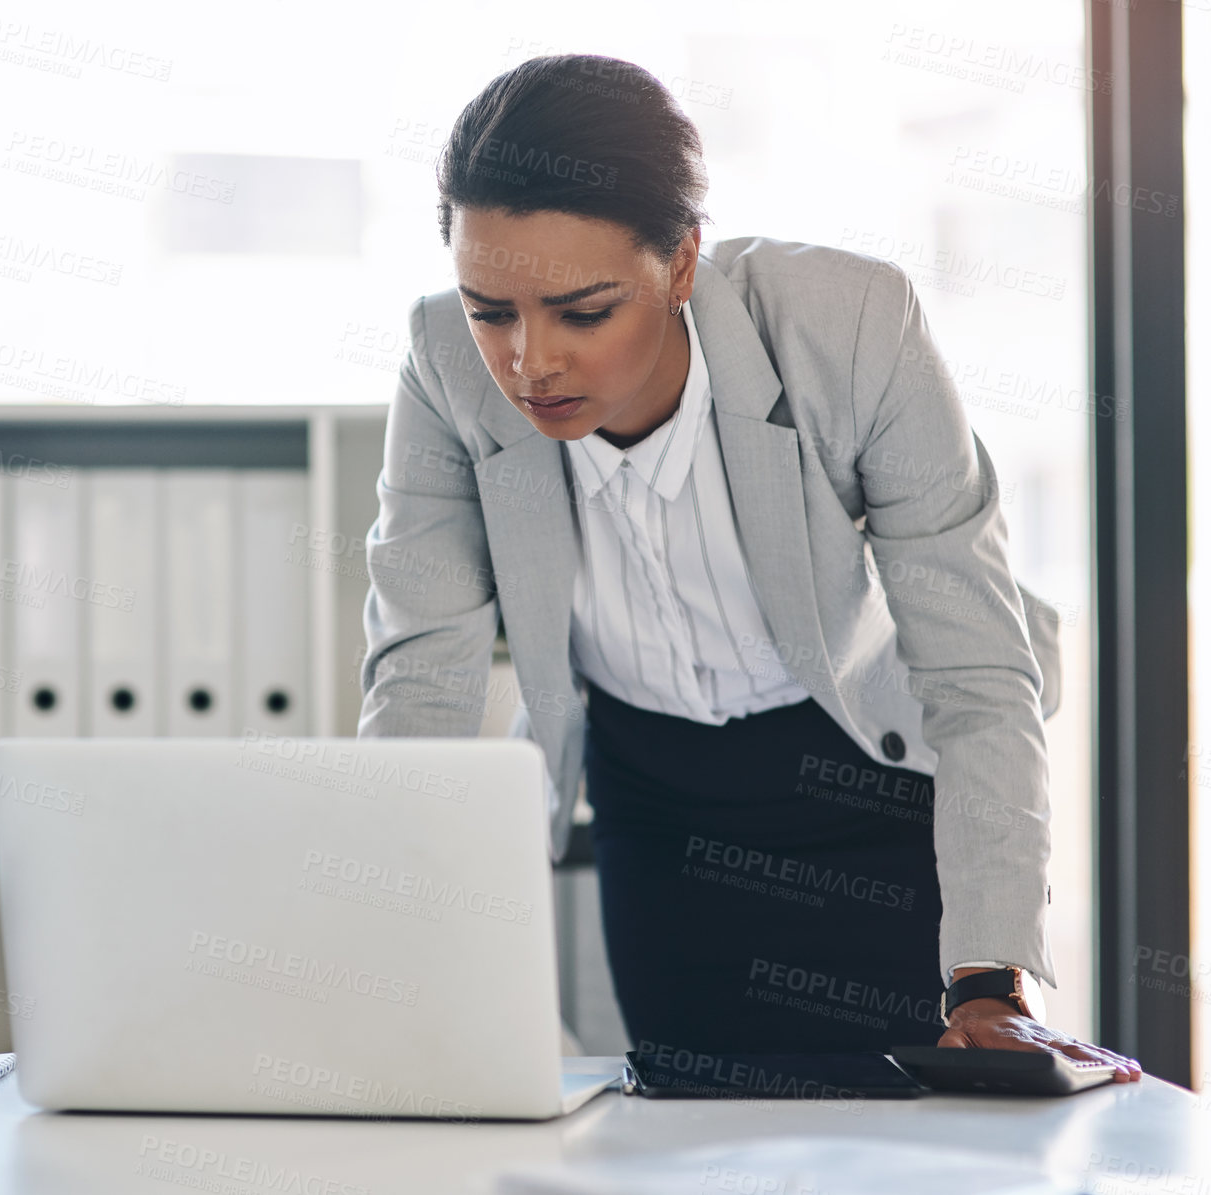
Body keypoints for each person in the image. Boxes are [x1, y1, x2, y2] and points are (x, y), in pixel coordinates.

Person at [357, 54, 1140, 1080]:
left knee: (917, 1144)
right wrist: (388, 948)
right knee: (693, 1137)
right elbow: (421, 675)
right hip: (662, 802)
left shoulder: (850, 326)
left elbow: (975, 667)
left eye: (582, 312)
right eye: (490, 310)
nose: (529, 361)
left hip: (872, 775)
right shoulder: (440, 360)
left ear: (681, 265)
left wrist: (991, 977)